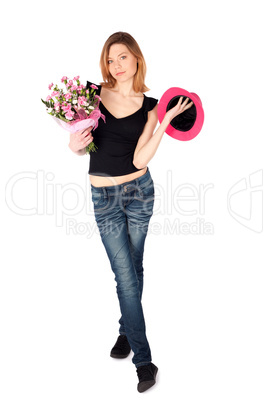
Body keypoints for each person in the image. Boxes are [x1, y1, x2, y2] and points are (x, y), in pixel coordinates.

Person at [68, 32, 193, 393]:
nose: (116, 66)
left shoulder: (151, 107)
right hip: (104, 198)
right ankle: (144, 360)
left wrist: (165, 122)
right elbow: (81, 144)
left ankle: (125, 332)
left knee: (132, 270)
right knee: (127, 276)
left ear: (136, 58)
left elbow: (139, 158)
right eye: (110, 59)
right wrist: (74, 145)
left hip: (140, 192)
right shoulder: (91, 95)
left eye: (122, 57)